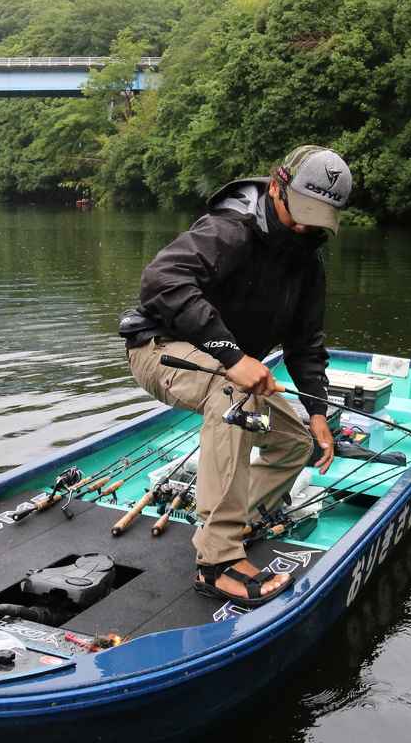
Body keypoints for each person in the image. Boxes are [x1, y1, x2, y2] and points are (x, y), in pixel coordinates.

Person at [121, 145, 353, 607]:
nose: (306, 227)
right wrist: (232, 356)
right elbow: (161, 281)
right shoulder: (229, 229)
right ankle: (218, 561)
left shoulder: (308, 262)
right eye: (301, 213)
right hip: (159, 349)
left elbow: (305, 343)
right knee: (235, 393)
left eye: (319, 217)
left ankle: (234, 519)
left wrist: (318, 411)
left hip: (229, 368)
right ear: (276, 187)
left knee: (296, 442)